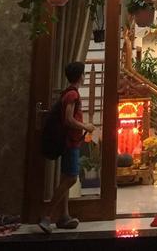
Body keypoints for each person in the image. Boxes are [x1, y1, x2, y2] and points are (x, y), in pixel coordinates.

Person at [39, 61, 95, 234]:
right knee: (70, 179)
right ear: (80, 76)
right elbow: (69, 120)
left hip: (70, 141)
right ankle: (47, 215)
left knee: (65, 178)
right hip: (70, 142)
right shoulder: (72, 95)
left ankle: (64, 216)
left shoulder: (69, 93)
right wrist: (86, 126)